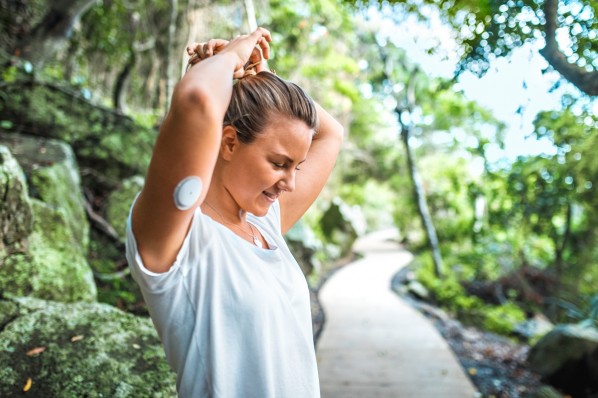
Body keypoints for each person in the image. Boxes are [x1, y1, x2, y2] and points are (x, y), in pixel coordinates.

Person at [125, 27, 343, 397]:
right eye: (279, 163)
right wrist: (229, 57)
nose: (290, 183)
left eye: (297, 167)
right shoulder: (178, 235)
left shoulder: (265, 223)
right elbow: (196, 99)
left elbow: (331, 133)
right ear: (228, 142)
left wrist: (259, 79)